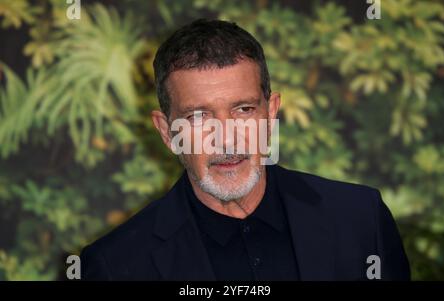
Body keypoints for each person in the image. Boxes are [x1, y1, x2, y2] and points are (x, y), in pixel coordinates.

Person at [80, 19, 410, 281]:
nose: (226, 138)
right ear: (167, 132)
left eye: (243, 110)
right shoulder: (114, 265)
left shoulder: (362, 219)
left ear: (270, 112)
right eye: (199, 115)